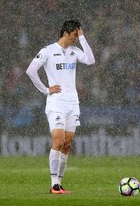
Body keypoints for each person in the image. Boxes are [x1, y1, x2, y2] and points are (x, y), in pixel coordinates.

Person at [26, 20, 95, 194]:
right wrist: (45, 90)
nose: (75, 39)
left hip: (73, 103)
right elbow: (31, 71)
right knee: (57, 141)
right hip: (56, 103)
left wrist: (83, 37)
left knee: (66, 144)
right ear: (65, 33)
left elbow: (90, 60)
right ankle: (54, 184)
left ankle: (60, 184)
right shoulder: (48, 51)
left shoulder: (74, 51)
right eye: (74, 36)